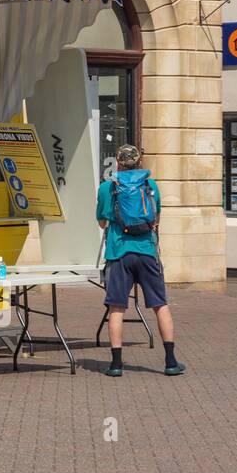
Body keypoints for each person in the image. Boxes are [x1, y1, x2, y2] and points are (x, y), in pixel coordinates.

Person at [97, 144, 184, 377]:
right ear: (139, 162)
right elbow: (156, 219)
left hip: (118, 253)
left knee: (117, 308)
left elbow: (101, 222)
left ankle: (116, 364)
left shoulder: (107, 188)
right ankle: (170, 361)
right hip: (146, 251)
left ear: (117, 162)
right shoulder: (150, 185)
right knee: (160, 305)